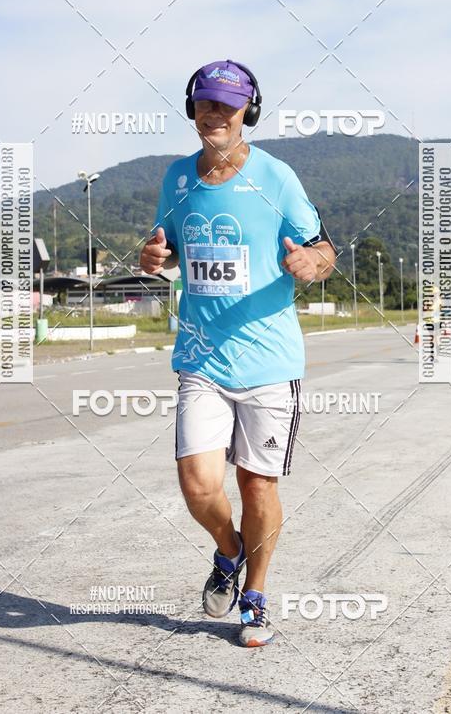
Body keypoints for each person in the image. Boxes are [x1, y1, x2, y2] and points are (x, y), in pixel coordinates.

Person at [139, 60, 335, 647]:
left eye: (226, 105)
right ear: (191, 107)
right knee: (199, 485)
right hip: (201, 356)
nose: (214, 114)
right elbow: (168, 247)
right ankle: (229, 552)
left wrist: (312, 264)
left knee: (256, 486)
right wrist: (153, 258)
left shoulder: (276, 177)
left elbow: (323, 248)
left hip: (270, 364)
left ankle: (255, 594)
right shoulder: (176, 177)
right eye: (204, 102)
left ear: (247, 110)